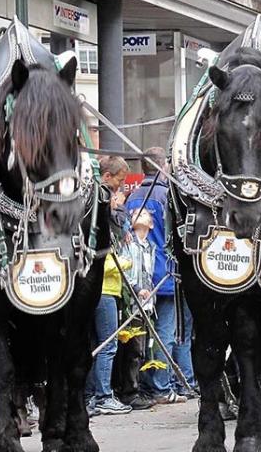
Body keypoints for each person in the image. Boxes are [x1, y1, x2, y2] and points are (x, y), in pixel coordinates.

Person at [126, 147, 194, 403]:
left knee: (150, 333)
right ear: (163, 167)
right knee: (175, 331)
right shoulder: (168, 196)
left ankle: (162, 381)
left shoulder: (133, 197)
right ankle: (169, 383)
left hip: (141, 276)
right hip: (168, 272)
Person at [86, 156, 134, 416]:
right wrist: (125, 264)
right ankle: (103, 395)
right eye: (120, 180)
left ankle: (94, 394)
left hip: (108, 288)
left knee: (98, 344)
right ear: (107, 177)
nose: (122, 186)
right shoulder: (100, 211)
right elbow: (102, 258)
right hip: (104, 287)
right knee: (107, 344)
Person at [113, 208, 159, 410]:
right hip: (132, 303)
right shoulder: (128, 243)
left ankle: (138, 387)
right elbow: (124, 268)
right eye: (137, 214)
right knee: (132, 348)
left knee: (143, 349)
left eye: (145, 214)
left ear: (151, 224)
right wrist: (137, 289)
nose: (140, 214)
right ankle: (128, 391)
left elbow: (149, 273)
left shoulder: (151, 247)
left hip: (147, 303)